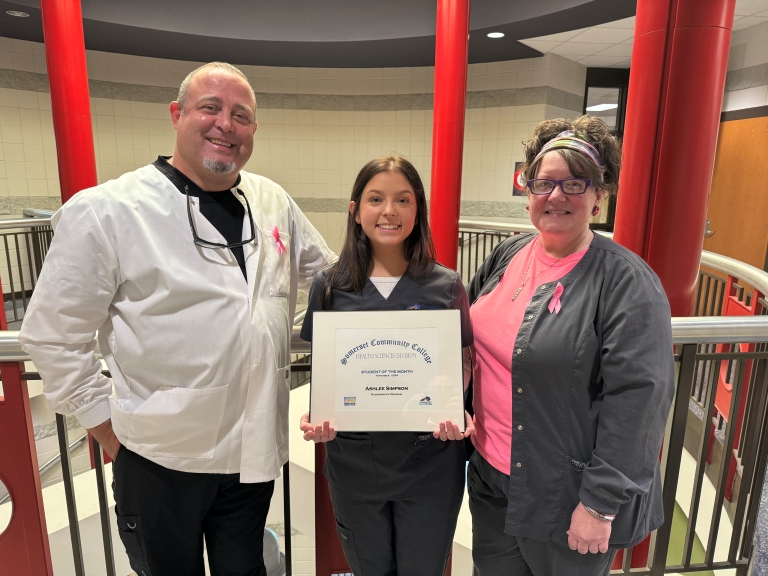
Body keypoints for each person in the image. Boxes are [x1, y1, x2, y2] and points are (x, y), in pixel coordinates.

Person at [18, 62, 334, 576]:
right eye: (209, 108)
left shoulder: (272, 201)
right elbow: (53, 335)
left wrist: (417, 288)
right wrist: (104, 429)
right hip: (158, 458)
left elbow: (333, 280)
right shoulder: (107, 211)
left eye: (241, 115)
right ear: (176, 114)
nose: (225, 124)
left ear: (254, 130)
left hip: (251, 456)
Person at [466, 116, 675, 575]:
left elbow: (639, 401)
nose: (556, 195)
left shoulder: (627, 283)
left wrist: (599, 505)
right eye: (543, 182)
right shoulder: (508, 255)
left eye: (574, 183)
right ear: (527, 193)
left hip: (569, 498)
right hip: (491, 481)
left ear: (599, 197)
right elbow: (468, 340)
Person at [298, 155, 473, 576]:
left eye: (403, 200)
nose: (389, 211)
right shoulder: (330, 285)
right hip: (356, 464)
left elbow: (464, 361)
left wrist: (455, 403)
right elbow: (325, 368)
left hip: (430, 463)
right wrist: (317, 412)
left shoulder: (445, 285)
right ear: (356, 210)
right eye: (376, 199)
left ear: (418, 211)